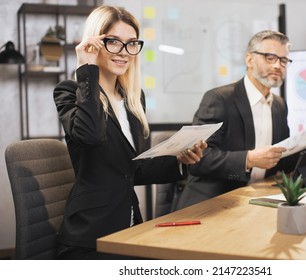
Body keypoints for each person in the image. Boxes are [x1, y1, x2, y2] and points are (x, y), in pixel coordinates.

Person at [53, 5, 206, 259]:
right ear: (94, 42)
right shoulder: (70, 92)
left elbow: (135, 170)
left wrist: (180, 160)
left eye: (131, 43)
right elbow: (91, 136)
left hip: (131, 226)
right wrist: (86, 69)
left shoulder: (133, 99)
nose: (124, 53)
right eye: (113, 42)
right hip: (91, 237)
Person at [175, 30, 306, 210]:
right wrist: (248, 159)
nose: (277, 66)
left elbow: (282, 160)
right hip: (213, 203)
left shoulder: (279, 106)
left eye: (283, 60)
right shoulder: (219, 99)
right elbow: (198, 160)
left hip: (257, 198)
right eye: (269, 57)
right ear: (249, 60)